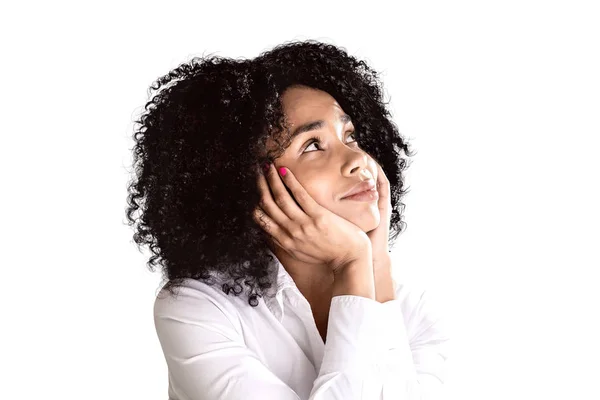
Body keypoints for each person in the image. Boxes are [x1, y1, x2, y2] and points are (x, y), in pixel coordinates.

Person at [126, 39, 450, 399]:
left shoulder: (415, 312)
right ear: (245, 182)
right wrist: (353, 263)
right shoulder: (196, 310)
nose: (358, 159)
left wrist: (373, 263)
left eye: (350, 136)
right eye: (312, 144)